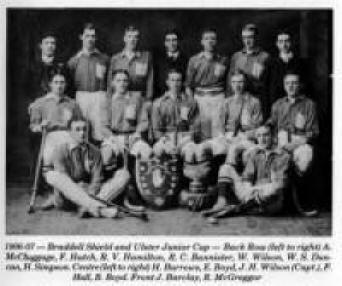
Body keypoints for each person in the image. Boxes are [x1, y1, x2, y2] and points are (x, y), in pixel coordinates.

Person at [43, 116, 123, 218]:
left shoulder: (95, 151)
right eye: (77, 129)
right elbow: (65, 181)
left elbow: (97, 179)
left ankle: (88, 207)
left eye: (85, 129)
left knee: (123, 175)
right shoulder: (60, 151)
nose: (82, 133)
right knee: (52, 175)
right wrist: (79, 188)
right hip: (66, 199)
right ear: (69, 132)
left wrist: (90, 190)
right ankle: (100, 209)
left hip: (90, 193)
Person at [207, 125, 291, 217]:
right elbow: (247, 178)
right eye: (259, 136)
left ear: (274, 136)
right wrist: (249, 190)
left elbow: (279, 184)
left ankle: (237, 209)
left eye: (266, 135)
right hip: (252, 195)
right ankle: (222, 203)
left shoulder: (283, 155)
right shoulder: (255, 153)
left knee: (275, 188)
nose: (262, 139)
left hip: (270, 200)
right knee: (226, 168)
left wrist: (257, 190)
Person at [101, 69, 150, 210]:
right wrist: (114, 140)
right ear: (112, 83)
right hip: (114, 137)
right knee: (107, 155)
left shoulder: (136, 99)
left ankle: (137, 192)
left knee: (146, 152)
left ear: (129, 83)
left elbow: (144, 121)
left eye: (125, 80)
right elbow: (103, 126)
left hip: (133, 136)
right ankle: (114, 193)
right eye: (118, 80)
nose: (122, 83)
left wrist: (136, 134)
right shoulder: (108, 101)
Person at [266, 71, 319, 177]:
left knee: (304, 159)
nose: (291, 86)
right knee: (272, 163)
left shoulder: (309, 104)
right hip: (280, 140)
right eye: (287, 83)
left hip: (300, 141)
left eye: (294, 83)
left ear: (299, 85)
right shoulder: (278, 104)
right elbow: (271, 123)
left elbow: (313, 131)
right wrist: (268, 131)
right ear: (284, 85)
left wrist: (297, 143)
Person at [68, 22, 109, 143]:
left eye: (93, 36)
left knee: (99, 130)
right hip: (82, 96)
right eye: (87, 36)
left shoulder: (104, 58)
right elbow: (69, 82)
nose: (90, 39)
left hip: (99, 96)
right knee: (82, 130)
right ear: (81, 37)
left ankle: (100, 159)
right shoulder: (74, 60)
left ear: (96, 38)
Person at [185, 28, 229, 139]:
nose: (210, 41)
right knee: (203, 132)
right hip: (200, 99)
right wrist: (191, 100)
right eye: (206, 38)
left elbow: (228, 83)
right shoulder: (194, 60)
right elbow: (188, 85)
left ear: (216, 41)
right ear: (202, 41)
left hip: (218, 98)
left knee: (219, 132)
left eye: (212, 39)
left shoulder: (223, 60)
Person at [152, 69, 200, 156]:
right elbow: (156, 130)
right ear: (167, 82)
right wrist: (166, 142)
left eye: (178, 80)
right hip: (166, 138)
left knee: (191, 152)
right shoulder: (158, 103)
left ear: (182, 83)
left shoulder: (190, 102)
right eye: (172, 80)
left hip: (185, 137)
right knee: (158, 150)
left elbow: (195, 127)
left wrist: (184, 140)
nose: (175, 83)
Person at [220, 70, 263, 167]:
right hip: (228, 137)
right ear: (231, 84)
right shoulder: (226, 102)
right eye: (234, 82)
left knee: (234, 149)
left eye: (240, 82)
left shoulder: (254, 102)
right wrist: (226, 137)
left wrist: (245, 135)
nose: (237, 85)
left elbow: (258, 126)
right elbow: (220, 125)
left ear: (245, 83)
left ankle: (228, 174)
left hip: (246, 137)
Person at [229, 24, 270, 116]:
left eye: (250, 37)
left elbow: (268, 83)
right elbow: (230, 80)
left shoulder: (264, 57)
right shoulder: (236, 56)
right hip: (238, 99)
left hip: (257, 100)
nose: (247, 41)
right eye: (244, 38)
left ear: (256, 38)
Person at [108, 25, 154, 100]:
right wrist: (110, 98)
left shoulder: (146, 57)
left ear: (138, 39)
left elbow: (150, 80)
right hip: (120, 98)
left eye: (135, 37)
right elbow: (110, 81)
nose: (132, 40)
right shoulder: (115, 58)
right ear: (124, 38)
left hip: (140, 97)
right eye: (129, 36)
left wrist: (148, 98)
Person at [268, 30, 308, 105]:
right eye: (281, 42)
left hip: (297, 104)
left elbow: (306, 86)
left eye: (287, 41)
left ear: (292, 42)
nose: (284, 45)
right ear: (277, 44)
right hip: (276, 106)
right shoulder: (270, 63)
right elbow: (266, 89)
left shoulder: (301, 63)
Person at [28, 31, 66, 99]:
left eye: (52, 43)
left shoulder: (61, 67)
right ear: (40, 46)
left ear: (55, 46)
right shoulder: (33, 67)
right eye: (46, 43)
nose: (50, 46)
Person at [154, 29, 188, 98]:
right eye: (168, 40)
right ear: (165, 43)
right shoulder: (158, 60)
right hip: (162, 97)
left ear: (178, 42)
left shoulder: (186, 60)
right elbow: (155, 81)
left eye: (174, 40)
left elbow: (187, 81)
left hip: (181, 97)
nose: (171, 43)